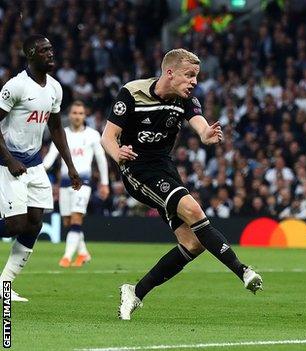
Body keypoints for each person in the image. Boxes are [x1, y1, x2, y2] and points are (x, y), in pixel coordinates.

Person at [101, 48, 263, 321]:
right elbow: (108, 136)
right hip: (137, 168)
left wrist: (206, 134)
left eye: (196, 76)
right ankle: (243, 270)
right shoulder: (132, 93)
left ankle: (135, 292)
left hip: (164, 168)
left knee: (192, 243)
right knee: (194, 210)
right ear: (170, 72)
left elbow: (199, 125)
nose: (194, 82)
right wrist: (117, 154)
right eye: (189, 75)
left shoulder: (186, 100)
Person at [0, 35, 81, 302]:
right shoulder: (15, 87)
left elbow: (56, 128)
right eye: (45, 50)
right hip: (7, 161)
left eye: (51, 49)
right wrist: (10, 160)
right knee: (15, 225)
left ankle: (5, 286)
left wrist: (70, 165)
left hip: (33, 164)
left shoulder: (55, 89)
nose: (51, 53)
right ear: (31, 53)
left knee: (34, 223)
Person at [43, 100, 109, 268]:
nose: (77, 116)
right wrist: (39, 168)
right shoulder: (62, 133)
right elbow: (51, 156)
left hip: (83, 182)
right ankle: (84, 253)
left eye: (80, 113)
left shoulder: (93, 134)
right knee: (68, 222)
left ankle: (66, 257)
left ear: (84, 115)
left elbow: (101, 160)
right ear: (69, 115)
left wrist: (104, 183)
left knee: (76, 218)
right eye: (74, 113)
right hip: (65, 183)